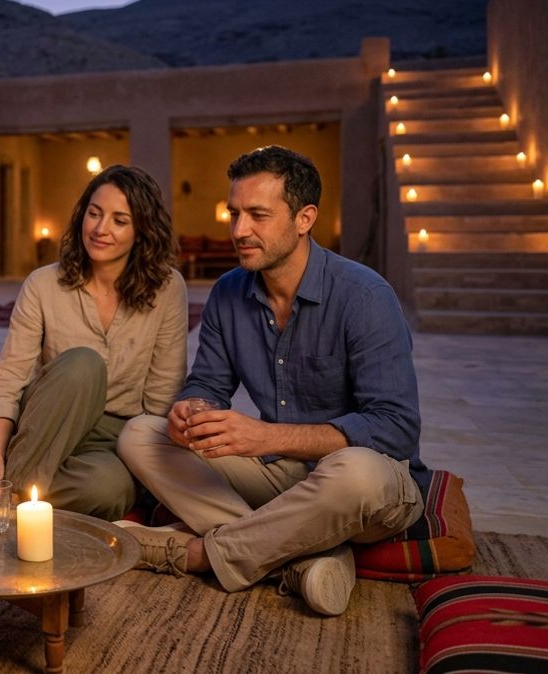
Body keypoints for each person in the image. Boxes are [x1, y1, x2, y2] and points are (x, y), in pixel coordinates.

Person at [116, 145, 427, 616]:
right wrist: (191, 410)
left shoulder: (365, 296)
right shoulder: (227, 293)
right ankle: (302, 560)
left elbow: (396, 428)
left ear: (304, 218)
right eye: (234, 213)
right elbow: (207, 383)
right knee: (141, 434)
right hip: (278, 476)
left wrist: (265, 436)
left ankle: (196, 554)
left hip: (367, 485)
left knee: (355, 470)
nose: (240, 230)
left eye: (258, 215)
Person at [0, 164, 188, 520]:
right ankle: (2, 486)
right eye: (94, 213)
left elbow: (160, 403)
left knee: (111, 491)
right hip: (49, 418)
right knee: (83, 365)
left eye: (119, 220)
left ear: (142, 231)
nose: (101, 229)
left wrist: (143, 467)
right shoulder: (43, 284)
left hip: (114, 438)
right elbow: (11, 378)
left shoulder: (168, 288)